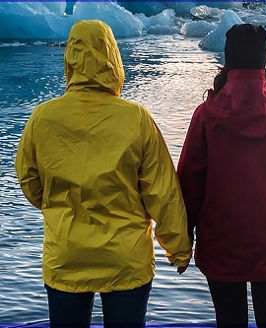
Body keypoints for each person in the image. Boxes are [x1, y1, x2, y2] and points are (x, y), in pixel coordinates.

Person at [15, 20, 191, 328]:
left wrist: (58, 206)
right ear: (113, 58)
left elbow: (29, 180)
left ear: (69, 58)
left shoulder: (43, 118)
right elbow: (162, 192)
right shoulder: (136, 118)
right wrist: (178, 249)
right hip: (126, 258)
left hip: (66, 256)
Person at [177, 24, 266, 327]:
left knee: (228, 321)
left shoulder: (206, 115)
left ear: (228, 58)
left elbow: (189, 183)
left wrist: (183, 235)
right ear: (264, 59)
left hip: (221, 240)